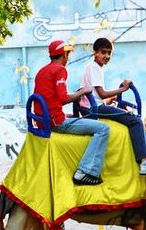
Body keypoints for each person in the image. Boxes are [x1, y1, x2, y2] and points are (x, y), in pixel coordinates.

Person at [78, 37, 146, 176]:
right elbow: (101, 94)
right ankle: (145, 163)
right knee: (135, 121)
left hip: (94, 105)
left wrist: (110, 99)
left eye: (109, 53)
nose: (107, 56)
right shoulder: (94, 67)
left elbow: (98, 95)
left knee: (129, 116)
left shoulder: (95, 67)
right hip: (94, 109)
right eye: (103, 52)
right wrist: (123, 89)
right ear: (94, 52)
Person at [34, 39, 110, 186]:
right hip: (55, 122)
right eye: (67, 54)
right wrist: (83, 91)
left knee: (75, 117)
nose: (68, 57)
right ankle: (86, 172)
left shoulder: (43, 71)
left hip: (43, 119)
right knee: (103, 129)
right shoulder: (60, 70)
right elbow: (63, 99)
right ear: (64, 55)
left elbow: (52, 96)